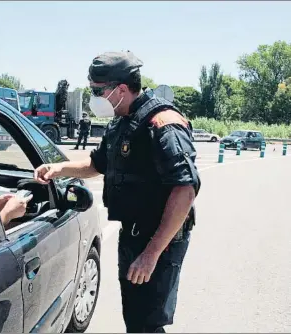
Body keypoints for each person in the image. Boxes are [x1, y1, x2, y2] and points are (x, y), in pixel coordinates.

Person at [34, 51, 201, 333]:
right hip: (134, 234)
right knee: (135, 317)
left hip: (159, 239)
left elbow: (184, 189)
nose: (92, 97)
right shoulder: (122, 120)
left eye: (97, 91)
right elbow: (96, 164)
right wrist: (59, 169)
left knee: (148, 323)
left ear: (121, 89)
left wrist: (151, 254)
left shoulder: (163, 124)